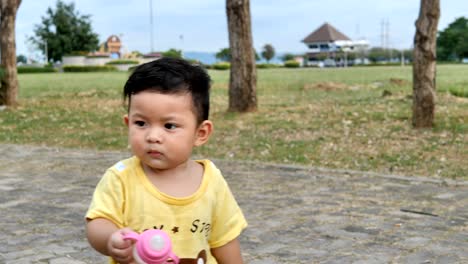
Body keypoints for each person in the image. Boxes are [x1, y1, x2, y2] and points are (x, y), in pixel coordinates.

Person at [85, 57, 247, 264]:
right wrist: (110, 238)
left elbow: (224, 239)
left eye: (169, 126)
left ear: (200, 133)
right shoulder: (121, 177)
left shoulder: (211, 180)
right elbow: (98, 221)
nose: (153, 136)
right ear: (128, 123)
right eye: (141, 123)